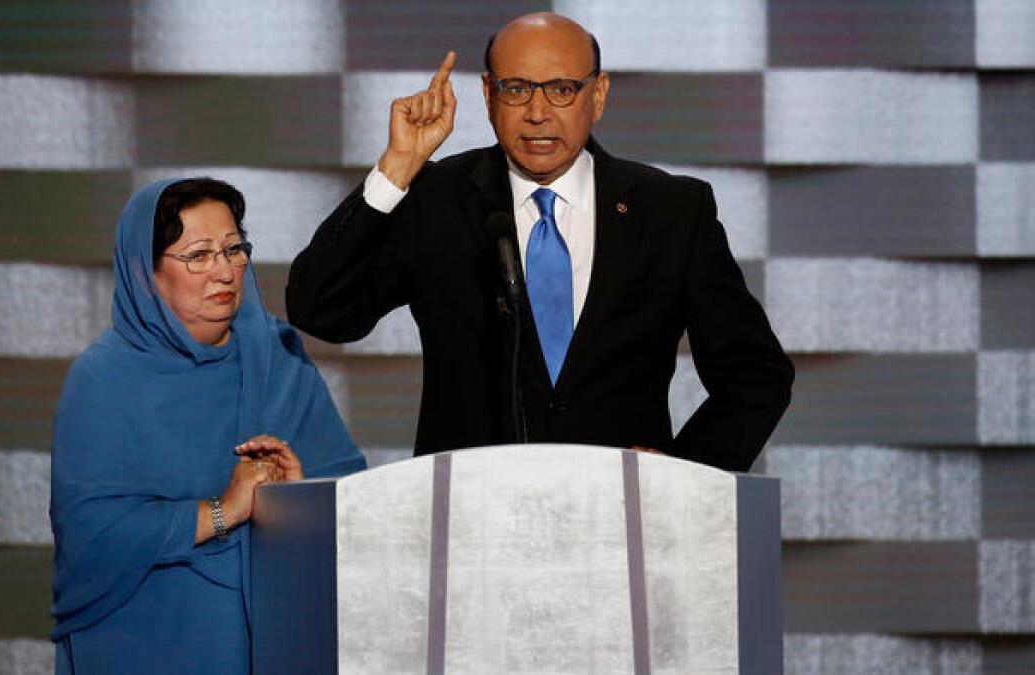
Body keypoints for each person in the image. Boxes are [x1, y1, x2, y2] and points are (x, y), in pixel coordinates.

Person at [287, 12, 793, 472]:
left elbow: (756, 374)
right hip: (470, 525)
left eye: (561, 89)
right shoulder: (437, 201)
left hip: (625, 524)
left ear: (598, 95)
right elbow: (320, 309)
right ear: (487, 95)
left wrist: (683, 473)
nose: (537, 112)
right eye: (516, 89)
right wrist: (396, 169)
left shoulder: (671, 211)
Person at [50, 177, 365, 673]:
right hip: (146, 637)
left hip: (278, 635)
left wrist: (298, 496)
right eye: (199, 255)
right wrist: (224, 510)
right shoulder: (104, 378)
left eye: (234, 249)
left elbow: (350, 496)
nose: (225, 270)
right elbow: (92, 535)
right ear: (145, 272)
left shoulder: (276, 355)